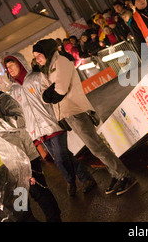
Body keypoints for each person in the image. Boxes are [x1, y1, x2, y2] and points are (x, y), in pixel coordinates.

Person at [32, 39, 138, 196]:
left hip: (76, 110)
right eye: (35, 57)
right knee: (94, 147)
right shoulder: (46, 70)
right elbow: (44, 96)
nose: (38, 59)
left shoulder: (61, 62)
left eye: (39, 55)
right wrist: (50, 93)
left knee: (96, 146)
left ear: (47, 52)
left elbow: (59, 91)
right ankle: (116, 174)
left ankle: (125, 175)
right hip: (67, 113)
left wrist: (51, 93)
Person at [0, 73, 62, 222]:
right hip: (6, 162)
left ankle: (55, 219)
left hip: (25, 156)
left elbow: (20, 121)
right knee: (20, 202)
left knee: (39, 192)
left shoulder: (4, 100)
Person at [3, 53, 97, 197]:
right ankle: (87, 179)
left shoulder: (37, 77)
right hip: (37, 131)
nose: (9, 70)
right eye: (7, 68)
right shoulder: (13, 90)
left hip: (52, 122)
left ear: (20, 63)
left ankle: (70, 181)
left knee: (60, 158)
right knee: (64, 157)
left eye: (11, 65)